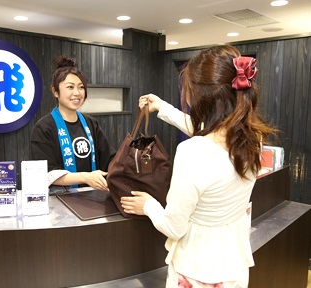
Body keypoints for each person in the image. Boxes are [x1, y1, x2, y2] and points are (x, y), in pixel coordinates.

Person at [120, 45, 277, 288]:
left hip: (197, 272)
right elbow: (208, 132)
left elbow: (173, 226)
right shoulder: (250, 139)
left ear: (201, 96)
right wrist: (163, 108)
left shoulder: (193, 152)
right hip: (233, 267)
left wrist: (148, 205)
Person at [30, 55, 116, 191]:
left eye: (81, 87)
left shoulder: (91, 123)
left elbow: (109, 159)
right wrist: (85, 177)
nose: (77, 93)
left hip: (93, 196)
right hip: (60, 200)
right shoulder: (44, 127)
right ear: (55, 92)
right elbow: (46, 173)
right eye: (70, 87)